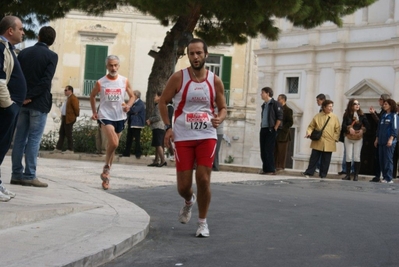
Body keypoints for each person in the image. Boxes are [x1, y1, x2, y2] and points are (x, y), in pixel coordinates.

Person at [159, 38, 227, 237]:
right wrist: (167, 127)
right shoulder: (179, 78)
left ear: (206, 54)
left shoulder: (215, 80)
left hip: (207, 134)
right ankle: (189, 201)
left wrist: (219, 118)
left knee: (204, 179)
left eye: (199, 53)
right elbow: (163, 101)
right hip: (183, 135)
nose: (195, 57)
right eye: (191, 53)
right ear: (188, 56)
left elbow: (222, 108)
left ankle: (202, 222)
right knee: (183, 187)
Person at [10, 26, 58, 188]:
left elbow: (17, 76)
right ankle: (30, 175)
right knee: (34, 139)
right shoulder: (52, 56)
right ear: (52, 41)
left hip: (21, 101)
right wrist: (31, 96)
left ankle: (16, 174)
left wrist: (23, 96)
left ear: (38, 37)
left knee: (19, 139)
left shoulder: (24, 53)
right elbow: (46, 81)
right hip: (39, 103)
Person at [90, 55, 134, 190]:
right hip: (105, 116)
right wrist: (94, 112)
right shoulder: (101, 82)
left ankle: (106, 174)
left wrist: (128, 106)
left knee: (113, 147)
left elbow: (132, 96)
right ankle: (106, 167)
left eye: (115, 65)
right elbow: (92, 96)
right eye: (110, 65)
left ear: (119, 66)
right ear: (106, 66)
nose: (113, 68)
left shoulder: (124, 81)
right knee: (114, 143)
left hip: (120, 116)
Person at [0, 16, 26, 202]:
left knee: (2, 147)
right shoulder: (1, 48)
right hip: (6, 107)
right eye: (20, 29)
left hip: (11, 107)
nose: (23, 32)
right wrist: (9, 105)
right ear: (10, 31)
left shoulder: (8, 49)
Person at [302, 100, 340, 178]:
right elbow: (311, 126)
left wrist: (335, 138)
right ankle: (309, 172)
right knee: (314, 158)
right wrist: (308, 133)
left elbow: (337, 129)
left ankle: (323, 174)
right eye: (329, 106)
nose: (331, 108)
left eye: (331, 106)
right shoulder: (317, 116)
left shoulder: (334, 117)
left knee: (326, 160)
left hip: (329, 141)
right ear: (324, 107)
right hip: (318, 140)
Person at [341, 99, 370, 181]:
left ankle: (356, 175)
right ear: (351, 105)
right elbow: (343, 126)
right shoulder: (346, 115)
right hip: (349, 137)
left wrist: (362, 130)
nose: (357, 105)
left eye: (358, 104)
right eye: (355, 104)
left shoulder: (362, 115)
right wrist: (349, 128)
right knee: (348, 156)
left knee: (357, 156)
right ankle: (348, 175)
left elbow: (368, 125)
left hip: (358, 137)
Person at [259, 87, 283, 175]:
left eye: (262, 93)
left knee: (269, 149)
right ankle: (265, 169)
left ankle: (271, 169)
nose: (261, 94)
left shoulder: (275, 104)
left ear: (268, 93)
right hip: (263, 128)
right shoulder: (264, 105)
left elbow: (280, 117)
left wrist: (275, 127)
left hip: (271, 129)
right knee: (263, 149)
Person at [374, 99, 397, 183]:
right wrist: (377, 139)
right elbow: (379, 128)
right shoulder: (383, 116)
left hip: (389, 141)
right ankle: (384, 176)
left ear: (390, 105)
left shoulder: (393, 116)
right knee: (382, 159)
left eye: (386, 104)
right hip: (381, 141)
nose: (384, 105)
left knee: (388, 159)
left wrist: (391, 139)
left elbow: (394, 129)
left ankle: (389, 178)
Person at [369, 94, 391, 182]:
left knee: (385, 158)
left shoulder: (388, 113)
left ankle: (386, 176)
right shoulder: (382, 111)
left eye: (381, 99)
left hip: (386, 138)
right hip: (380, 136)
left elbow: (380, 123)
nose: (379, 101)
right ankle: (378, 175)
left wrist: (373, 114)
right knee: (378, 157)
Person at [53, 85, 80, 153]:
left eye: (66, 90)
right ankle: (58, 148)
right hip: (65, 117)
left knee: (68, 133)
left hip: (69, 118)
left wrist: (75, 116)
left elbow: (76, 109)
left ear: (70, 91)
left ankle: (70, 149)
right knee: (62, 132)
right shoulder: (68, 98)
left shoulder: (73, 98)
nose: (64, 91)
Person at [121, 90, 145, 159]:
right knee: (129, 138)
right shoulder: (133, 103)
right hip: (131, 122)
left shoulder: (140, 103)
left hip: (137, 123)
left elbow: (134, 110)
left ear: (136, 96)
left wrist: (128, 107)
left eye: (132, 95)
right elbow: (131, 111)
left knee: (137, 139)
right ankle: (126, 152)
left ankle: (138, 153)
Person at [146, 91, 166, 167]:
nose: (154, 97)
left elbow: (158, 117)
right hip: (161, 126)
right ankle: (156, 160)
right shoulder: (162, 105)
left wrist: (150, 120)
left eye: (156, 96)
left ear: (160, 97)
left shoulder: (159, 106)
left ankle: (163, 160)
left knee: (158, 144)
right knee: (157, 144)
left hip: (158, 126)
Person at [274, 94, 293, 171]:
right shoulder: (276, 109)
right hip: (275, 133)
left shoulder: (288, 110)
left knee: (282, 152)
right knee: (274, 151)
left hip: (283, 135)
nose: (278, 101)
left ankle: (281, 166)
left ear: (283, 100)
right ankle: (274, 166)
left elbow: (290, 122)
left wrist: (282, 128)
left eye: (279, 99)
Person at [212, 104, 224, 171]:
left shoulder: (220, 109)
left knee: (216, 150)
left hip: (218, 132)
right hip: (211, 132)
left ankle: (215, 166)